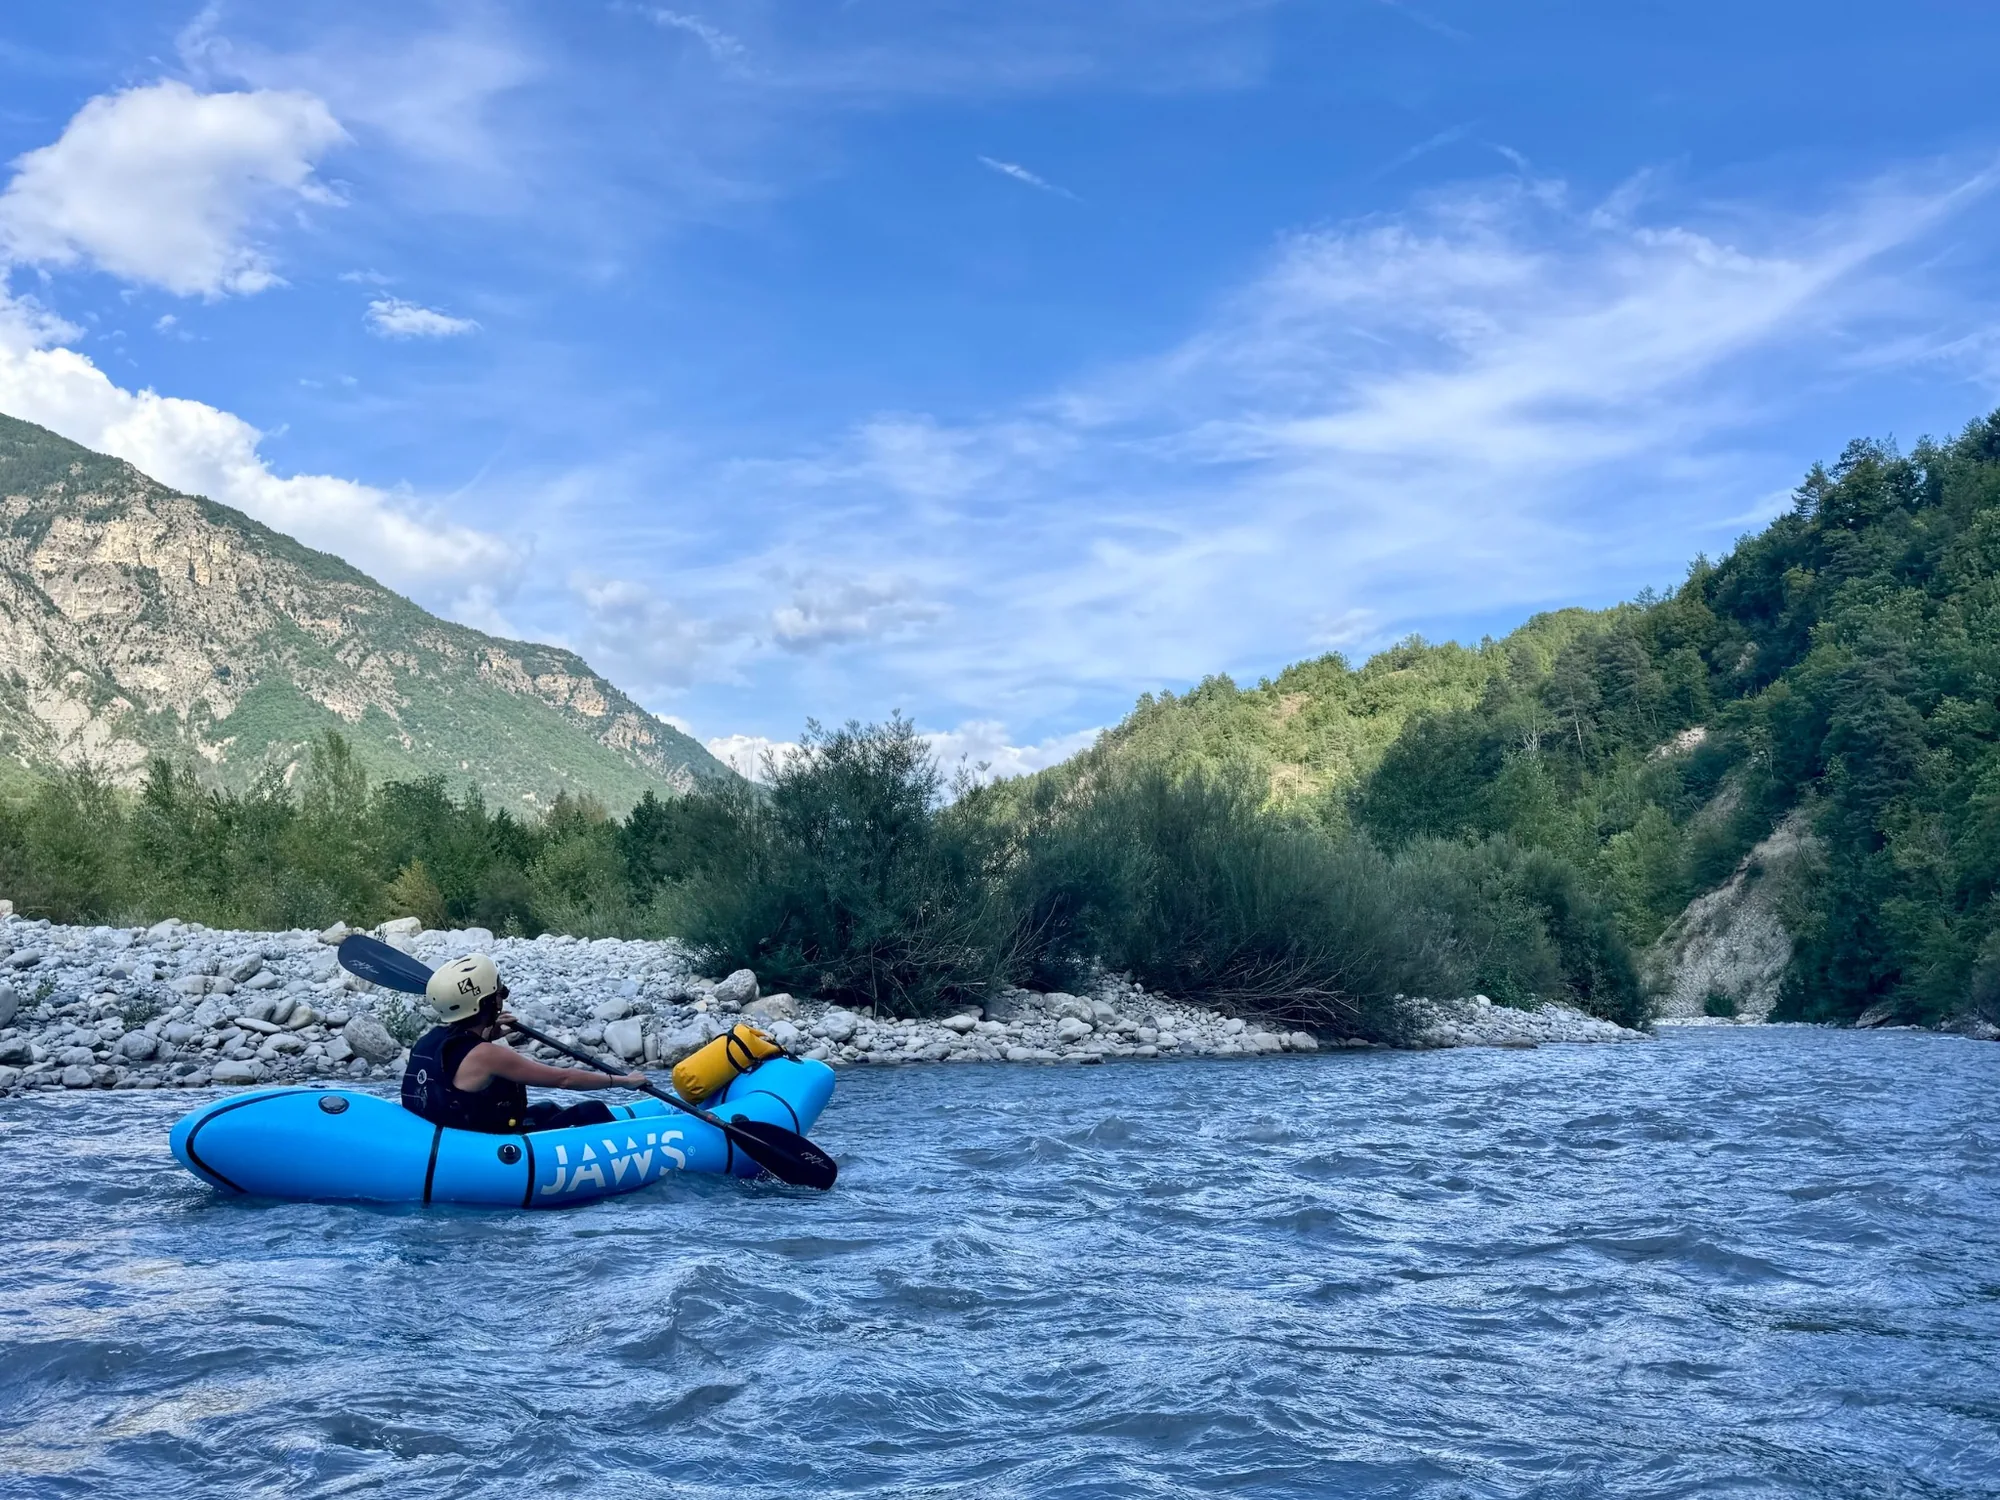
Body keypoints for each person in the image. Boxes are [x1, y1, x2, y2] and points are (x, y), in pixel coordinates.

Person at [401, 954, 646, 1134]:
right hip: (485, 1141)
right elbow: (564, 1079)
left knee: (547, 1109)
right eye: (501, 993)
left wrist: (489, 1033)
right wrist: (623, 1082)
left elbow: (459, 1065)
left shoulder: (431, 1039)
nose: (503, 997)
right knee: (592, 1110)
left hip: (454, 1130)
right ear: (487, 1003)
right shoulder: (487, 1055)